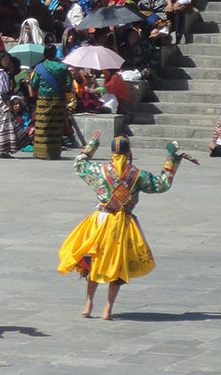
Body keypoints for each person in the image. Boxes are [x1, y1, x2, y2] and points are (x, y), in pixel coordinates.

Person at [58, 132, 185, 319]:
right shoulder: (137, 175)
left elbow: (79, 164)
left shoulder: (99, 171)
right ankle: (107, 308)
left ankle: (88, 303)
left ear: (111, 153)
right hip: (124, 223)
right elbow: (162, 184)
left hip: (101, 220)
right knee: (117, 264)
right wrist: (171, 159)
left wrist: (91, 145)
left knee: (95, 260)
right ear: (128, 152)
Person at [28, 45, 74, 160]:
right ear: (55, 54)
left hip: (43, 101)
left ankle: (41, 153)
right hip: (58, 101)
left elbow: (34, 84)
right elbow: (68, 86)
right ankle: (54, 153)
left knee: (43, 126)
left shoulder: (39, 67)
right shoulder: (63, 67)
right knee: (56, 126)